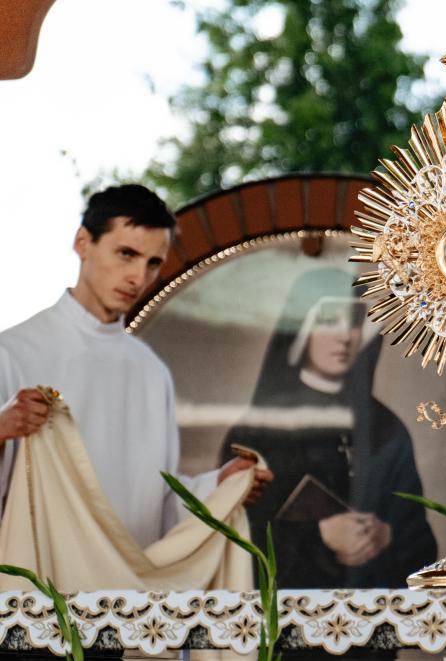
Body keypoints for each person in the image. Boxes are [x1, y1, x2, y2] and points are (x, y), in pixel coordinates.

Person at [220, 265, 437, 661]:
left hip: (365, 659)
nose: (344, 336)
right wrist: (317, 537)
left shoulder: (385, 430)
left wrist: (386, 537)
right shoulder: (258, 429)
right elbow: (229, 545)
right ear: (299, 328)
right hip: (283, 656)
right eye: (328, 321)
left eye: (355, 322)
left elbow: (422, 548)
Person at [0, 184, 269, 547]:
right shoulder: (13, 353)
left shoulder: (151, 371)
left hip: (130, 578)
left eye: (153, 263)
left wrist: (217, 487)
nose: (138, 278)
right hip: (42, 575)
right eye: (126, 254)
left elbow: (159, 506)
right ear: (83, 243)